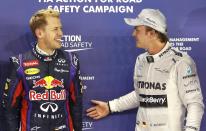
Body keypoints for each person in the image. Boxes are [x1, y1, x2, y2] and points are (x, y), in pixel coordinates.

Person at [86, 8, 204, 131]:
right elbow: (141, 95)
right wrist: (110, 106)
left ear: (152, 33)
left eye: (137, 30)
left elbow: (195, 104)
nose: (133, 34)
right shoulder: (141, 60)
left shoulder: (181, 62)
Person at [2, 9, 83, 131]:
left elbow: (76, 102)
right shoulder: (19, 63)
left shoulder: (72, 61)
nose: (61, 33)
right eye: (55, 29)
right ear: (40, 33)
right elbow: (10, 107)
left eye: (60, 28)